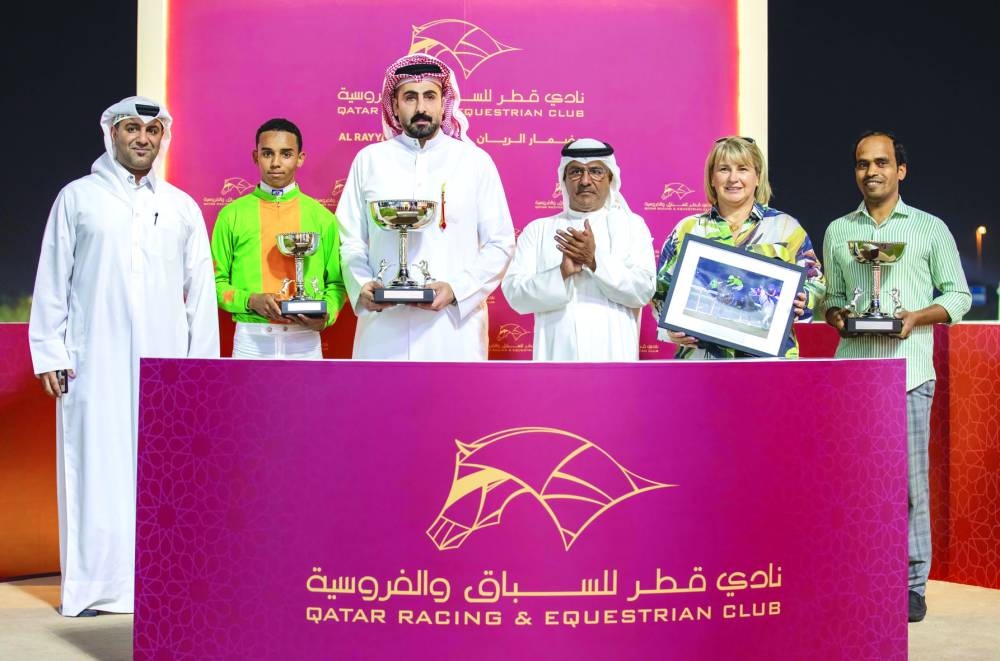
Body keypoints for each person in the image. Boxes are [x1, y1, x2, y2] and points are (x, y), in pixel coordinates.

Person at [28, 96, 219, 616]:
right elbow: (53, 278)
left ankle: (158, 582)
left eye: (152, 130)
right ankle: (93, 587)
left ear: (163, 139)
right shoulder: (78, 198)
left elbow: (199, 292)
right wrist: (49, 350)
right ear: (111, 135)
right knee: (94, 467)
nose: (142, 138)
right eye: (132, 128)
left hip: (166, 363)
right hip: (93, 361)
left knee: (162, 472)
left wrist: (199, 369)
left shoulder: (181, 206)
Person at [821, 131, 971, 623]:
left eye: (882, 163)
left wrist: (914, 319)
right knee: (849, 480)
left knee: (908, 485)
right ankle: (854, 568)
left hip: (909, 375)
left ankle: (911, 583)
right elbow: (832, 299)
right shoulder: (839, 231)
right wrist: (838, 315)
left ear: (900, 171)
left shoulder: (930, 229)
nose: (872, 172)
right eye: (863, 164)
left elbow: (959, 297)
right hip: (851, 376)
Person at [336, 53, 515, 360]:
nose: (421, 108)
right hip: (383, 330)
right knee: (378, 407)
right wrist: (364, 286)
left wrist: (457, 290)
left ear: (443, 102)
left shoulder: (474, 162)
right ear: (394, 105)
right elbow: (348, 239)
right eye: (410, 97)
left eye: (429, 96)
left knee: (454, 408)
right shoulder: (370, 160)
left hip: (452, 331)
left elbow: (500, 242)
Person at [651, 136, 825, 358]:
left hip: (769, 364)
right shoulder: (688, 229)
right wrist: (668, 330)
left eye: (742, 169)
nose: (733, 178)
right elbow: (658, 292)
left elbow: (816, 282)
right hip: (701, 364)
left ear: (757, 176)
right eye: (724, 169)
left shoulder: (786, 227)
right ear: (712, 178)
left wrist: (804, 299)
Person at [501, 138, 655, 360]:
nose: (585, 181)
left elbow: (643, 291)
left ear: (610, 178)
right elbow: (515, 295)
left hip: (614, 362)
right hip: (556, 362)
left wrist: (594, 261)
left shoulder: (632, 226)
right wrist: (560, 273)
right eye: (575, 172)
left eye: (595, 171)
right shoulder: (539, 230)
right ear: (563, 179)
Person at [211, 118, 346, 358]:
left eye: (285, 154)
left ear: (300, 158)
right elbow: (214, 283)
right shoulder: (230, 215)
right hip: (251, 339)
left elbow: (337, 284)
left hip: (305, 339)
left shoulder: (322, 218)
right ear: (255, 157)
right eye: (267, 153)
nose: (275, 163)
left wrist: (326, 316)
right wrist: (250, 300)